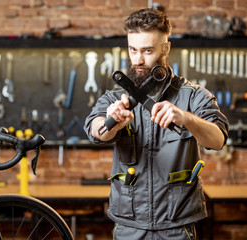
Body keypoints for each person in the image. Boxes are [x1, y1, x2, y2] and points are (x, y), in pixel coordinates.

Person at [84, 8, 229, 240]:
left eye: (147, 51)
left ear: (166, 48)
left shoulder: (193, 96)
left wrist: (186, 118)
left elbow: (218, 139)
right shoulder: (115, 98)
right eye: (133, 50)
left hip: (177, 224)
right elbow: (96, 129)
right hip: (129, 224)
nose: (138, 60)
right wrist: (113, 123)